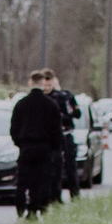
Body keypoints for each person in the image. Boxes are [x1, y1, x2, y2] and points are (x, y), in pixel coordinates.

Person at [10, 70, 63, 219]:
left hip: (26, 146)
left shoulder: (21, 104)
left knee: (23, 179)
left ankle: (21, 206)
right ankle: (39, 207)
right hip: (44, 147)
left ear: (30, 83)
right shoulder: (51, 105)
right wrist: (54, 147)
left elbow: (14, 127)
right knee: (43, 179)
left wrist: (20, 143)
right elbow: (56, 130)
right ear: (43, 84)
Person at [43, 69, 81, 201]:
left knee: (71, 166)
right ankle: (55, 196)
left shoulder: (66, 96)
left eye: (49, 84)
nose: (47, 87)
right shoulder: (45, 98)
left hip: (66, 132)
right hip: (52, 136)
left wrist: (67, 112)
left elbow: (77, 113)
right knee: (55, 167)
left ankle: (75, 194)